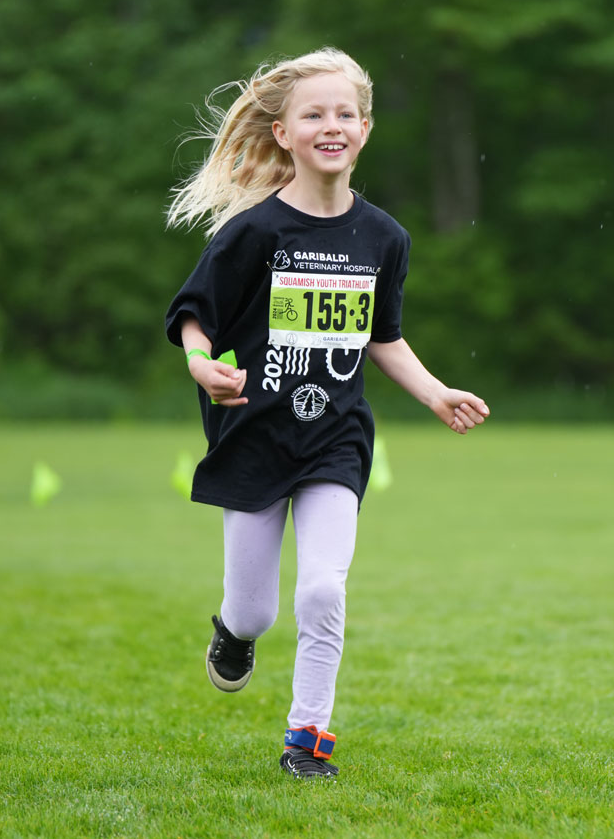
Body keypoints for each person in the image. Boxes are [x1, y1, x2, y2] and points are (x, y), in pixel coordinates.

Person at [165, 47, 489, 780]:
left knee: (321, 589)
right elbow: (195, 314)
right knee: (255, 613)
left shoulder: (385, 239)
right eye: (314, 113)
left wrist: (435, 392)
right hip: (252, 433)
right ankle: (233, 634)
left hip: (334, 444)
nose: (331, 125)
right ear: (284, 134)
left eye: (345, 113)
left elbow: (384, 338)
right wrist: (199, 362)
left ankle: (307, 739)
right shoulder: (252, 233)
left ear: (365, 130)